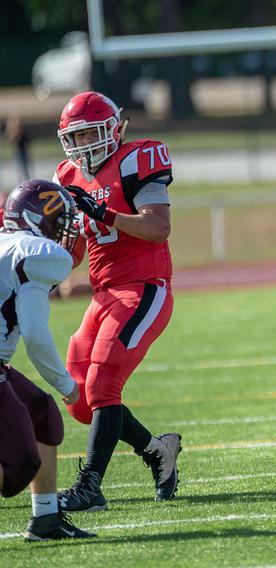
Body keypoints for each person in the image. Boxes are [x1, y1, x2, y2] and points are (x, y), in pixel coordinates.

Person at [51, 91, 181, 511]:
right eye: (78, 135)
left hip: (145, 286)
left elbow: (158, 227)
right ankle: (156, 450)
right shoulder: (67, 176)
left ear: (115, 128)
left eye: (92, 132)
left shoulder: (136, 159)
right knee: (81, 399)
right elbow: (72, 253)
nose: (85, 143)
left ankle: (90, 487)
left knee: (103, 383)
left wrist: (104, 213)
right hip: (104, 295)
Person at [0, 179, 95, 540]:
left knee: (41, 411)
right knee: (18, 467)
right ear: (36, 218)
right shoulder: (35, 253)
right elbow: (36, 335)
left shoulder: (5, 242)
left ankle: (46, 519)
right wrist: (66, 384)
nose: (62, 232)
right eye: (58, 222)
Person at [3, 115, 32, 179]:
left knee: (25, 168)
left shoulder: (22, 131)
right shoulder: (13, 132)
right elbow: (10, 141)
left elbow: (27, 141)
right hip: (18, 152)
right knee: (20, 168)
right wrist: (11, 130)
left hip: (23, 151)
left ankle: (27, 181)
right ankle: (22, 181)